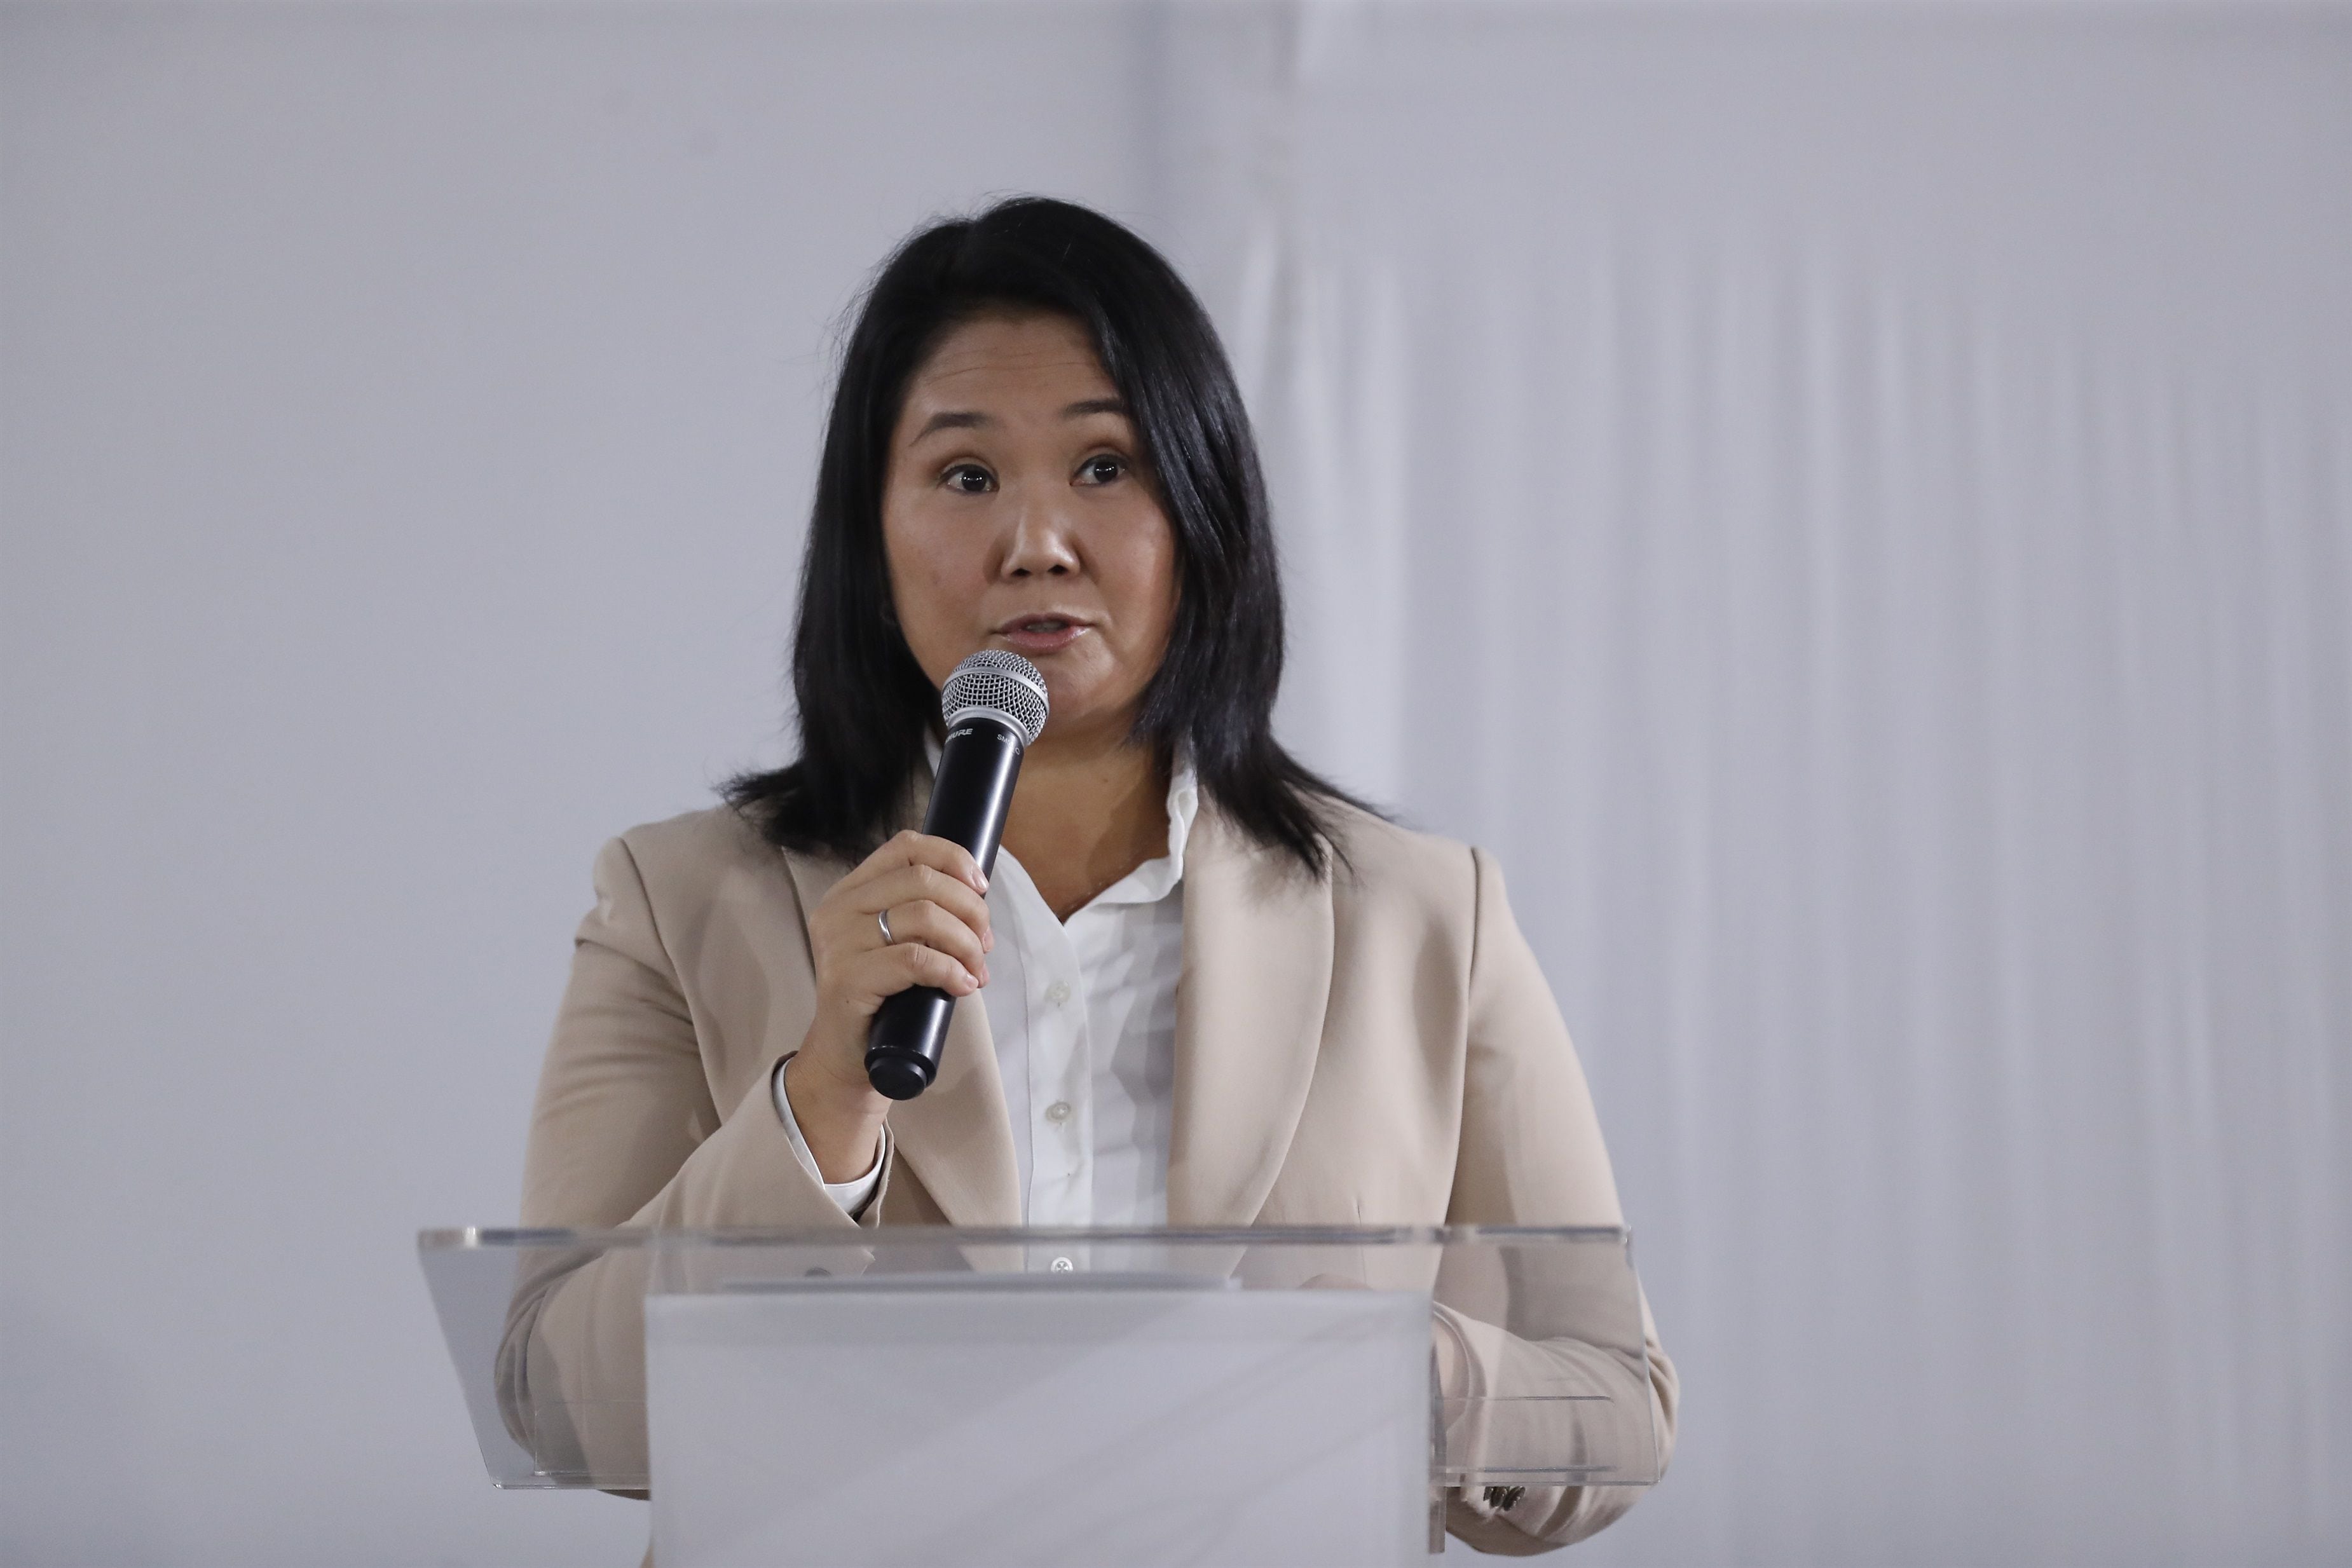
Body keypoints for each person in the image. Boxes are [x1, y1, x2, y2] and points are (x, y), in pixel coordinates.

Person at [506, 195, 1677, 1554]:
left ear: (1203, 509)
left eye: (1105, 467)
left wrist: (1371, 1376)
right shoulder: (680, 899)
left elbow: (1613, 1405)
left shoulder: (1421, 917)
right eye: (964, 477)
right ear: (868, 538)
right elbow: (557, 1400)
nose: (1036, 541)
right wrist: (816, 1099)